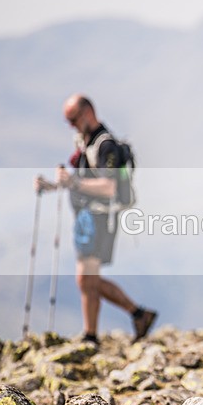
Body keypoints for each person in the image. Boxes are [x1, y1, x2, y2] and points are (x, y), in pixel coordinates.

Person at [35, 94, 157, 344]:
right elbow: (79, 182)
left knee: (86, 278)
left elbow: (107, 186)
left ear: (88, 112)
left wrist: (73, 181)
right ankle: (138, 314)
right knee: (88, 280)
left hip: (99, 219)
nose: (71, 126)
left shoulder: (105, 145)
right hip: (87, 217)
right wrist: (50, 186)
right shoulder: (85, 144)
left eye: (73, 119)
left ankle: (91, 335)